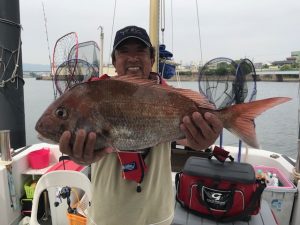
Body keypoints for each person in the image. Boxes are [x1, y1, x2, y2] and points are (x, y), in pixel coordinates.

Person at [59, 25, 223, 225]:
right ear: (114, 61)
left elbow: (188, 139)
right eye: (124, 52)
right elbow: (88, 151)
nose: (133, 58)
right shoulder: (95, 97)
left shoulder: (168, 97)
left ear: (152, 59)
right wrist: (81, 156)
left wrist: (201, 140)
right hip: (107, 215)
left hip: (157, 215)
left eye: (141, 51)